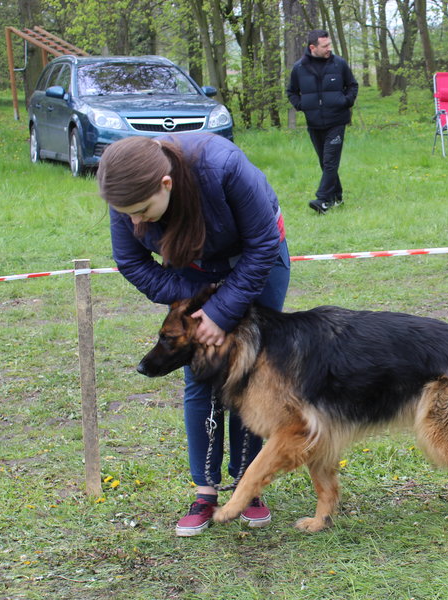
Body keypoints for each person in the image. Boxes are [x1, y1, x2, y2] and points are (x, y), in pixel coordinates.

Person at [98, 133, 291, 536]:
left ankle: (248, 484)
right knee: (200, 372)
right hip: (192, 272)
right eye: (126, 214)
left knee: (250, 373)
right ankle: (205, 490)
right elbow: (131, 262)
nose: (135, 221)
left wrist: (222, 310)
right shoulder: (125, 191)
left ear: (165, 184)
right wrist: (198, 307)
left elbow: (262, 245)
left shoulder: (222, 166)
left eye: (141, 211)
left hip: (255, 263)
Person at [286, 29, 359, 214]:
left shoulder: (339, 64)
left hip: (337, 121)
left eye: (329, 44)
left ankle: (322, 200)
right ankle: (337, 196)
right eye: (325, 46)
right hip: (314, 123)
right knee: (325, 162)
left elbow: (352, 85)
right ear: (313, 47)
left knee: (330, 161)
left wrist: (346, 101)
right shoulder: (299, 68)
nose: (329, 48)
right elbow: (291, 91)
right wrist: (302, 105)